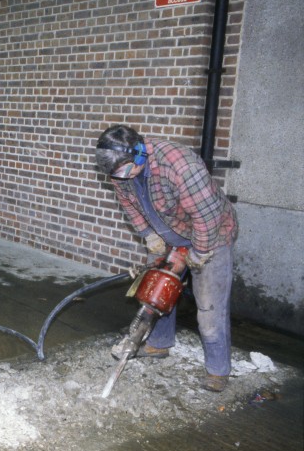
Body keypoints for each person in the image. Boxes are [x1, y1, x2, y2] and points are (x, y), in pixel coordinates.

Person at [94, 125, 238, 392]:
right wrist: (148, 234)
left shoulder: (178, 164)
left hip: (211, 235)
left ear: (139, 154)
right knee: (155, 290)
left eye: (124, 171)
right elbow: (129, 205)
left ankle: (218, 371)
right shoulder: (119, 169)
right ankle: (159, 344)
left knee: (209, 307)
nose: (121, 179)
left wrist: (199, 252)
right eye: (115, 175)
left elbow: (208, 216)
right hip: (170, 233)